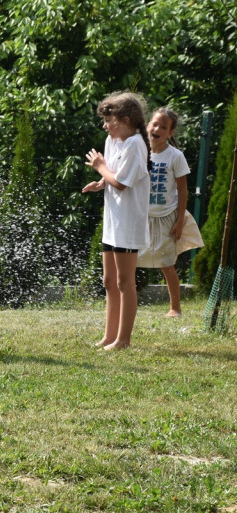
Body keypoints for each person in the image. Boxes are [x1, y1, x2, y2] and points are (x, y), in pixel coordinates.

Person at [83, 91, 152, 350]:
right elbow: (114, 174)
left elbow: (122, 183)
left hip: (128, 223)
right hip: (113, 221)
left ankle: (123, 340)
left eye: (108, 120)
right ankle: (109, 336)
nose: (104, 125)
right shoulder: (113, 140)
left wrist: (100, 167)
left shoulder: (135, 144)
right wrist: (101, 183)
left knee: (125, 282)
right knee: (109, 281)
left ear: (126, 119)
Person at [136, 107, 191, 317]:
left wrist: (179, 220)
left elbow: (182, 189)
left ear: (170, 133)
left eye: (163, 126)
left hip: (167, 217)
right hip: (142, 217)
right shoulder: (139, 151)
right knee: (129, 260)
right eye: (155, 123)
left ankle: (175, 308)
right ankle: (124, 301)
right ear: (148, 125)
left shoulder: (175, 156)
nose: (157, 128)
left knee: (167, 263)